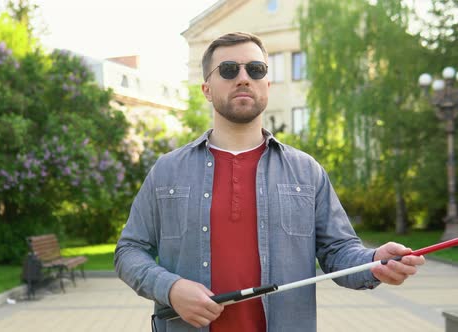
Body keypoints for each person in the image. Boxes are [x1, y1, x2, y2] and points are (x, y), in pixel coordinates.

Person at [114, 32, 425, 332]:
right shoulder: (167, 170)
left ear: (267, 84)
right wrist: (170, 289)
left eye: (256, 69)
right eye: (228, 70)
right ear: (206, 89)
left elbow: (338, 251)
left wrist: (373, 262)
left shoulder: (306, 171)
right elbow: (129, 250)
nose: (243, 77)